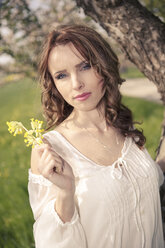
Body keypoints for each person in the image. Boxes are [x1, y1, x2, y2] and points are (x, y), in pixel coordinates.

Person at [28, 24, 165, 248]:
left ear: (103, 66)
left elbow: (141, 186)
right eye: (62, 75)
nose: (76, 84)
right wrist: (65, 191)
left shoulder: (122, 125)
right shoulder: (50, 150)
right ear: (54, 85)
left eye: (85, 66)